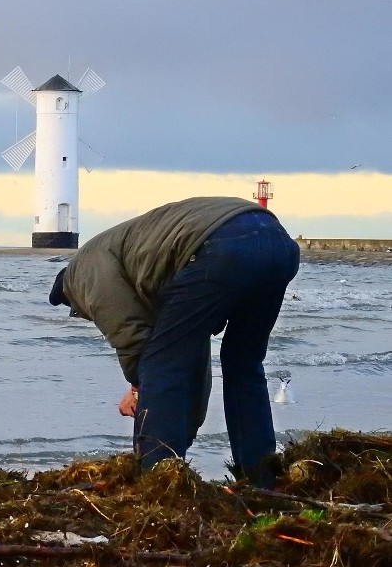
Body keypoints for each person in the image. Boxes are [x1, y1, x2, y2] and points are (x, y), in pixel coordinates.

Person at [48, 196, 300, 487]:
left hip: (218, 243)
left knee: (159, 364)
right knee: (244, 365)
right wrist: (185, 423)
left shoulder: (83, 271)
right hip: (276, 243)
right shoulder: (133, 260)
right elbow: (190, 354)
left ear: (69, 294)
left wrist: (140, 386)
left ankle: (157, 483)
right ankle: (261, 479)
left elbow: (136, 343)